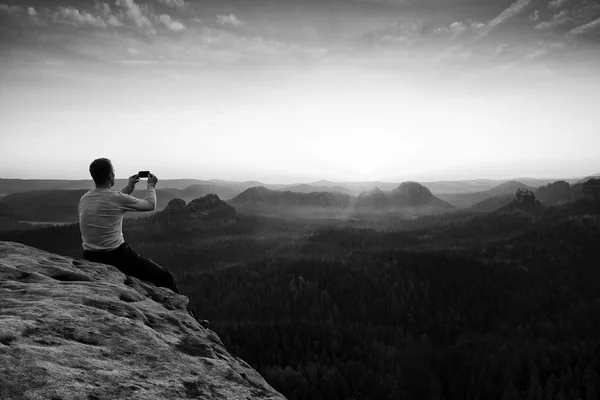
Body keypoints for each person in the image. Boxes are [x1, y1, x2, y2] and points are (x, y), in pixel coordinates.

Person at [78, 158, 207, 326]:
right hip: (116, 255)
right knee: (165, 277)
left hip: (89, 256)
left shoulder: (85, 198)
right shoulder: (114, 198)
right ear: (110, 175)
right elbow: (150, 205)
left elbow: (113, 200)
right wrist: (151, 186)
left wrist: (130, 187)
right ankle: (190, 321)